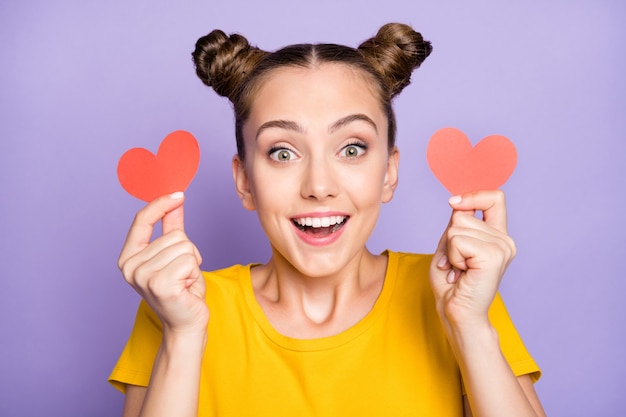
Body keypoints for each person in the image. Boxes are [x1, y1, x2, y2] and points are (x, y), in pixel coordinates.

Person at [109, 23, 545, 417]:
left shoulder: (459, 294)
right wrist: (183, 338)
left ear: (389, 173)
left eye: (351, 148)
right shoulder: (176, 306)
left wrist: (468, 325)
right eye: (282, 152)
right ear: (245, 182)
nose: (319, 185)